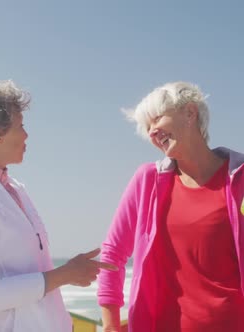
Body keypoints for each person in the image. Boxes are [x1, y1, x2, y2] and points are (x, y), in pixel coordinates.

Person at [0, 80, 117, 331]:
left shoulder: (13, 188)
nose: (27, 134)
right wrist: (67, 274)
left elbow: (33, 274)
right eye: (20, 126)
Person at [98, 81, 244, 331]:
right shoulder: (148, 182)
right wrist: (111, 326)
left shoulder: (239, 179)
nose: (153, 132)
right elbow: (112, 253)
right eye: (148, 128)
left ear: (190, 113)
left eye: (157, 119)